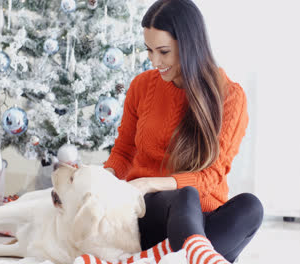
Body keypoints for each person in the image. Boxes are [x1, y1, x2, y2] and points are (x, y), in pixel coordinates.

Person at [76, 0, 263, 264]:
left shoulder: (230, 97)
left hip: (202, 215)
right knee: (185, 195)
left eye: (163, 51)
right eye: (149, 51)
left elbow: (211, 174)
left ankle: (161, 258)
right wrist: (101, 180)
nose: (155, 61)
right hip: (149, 211)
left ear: (189, 45)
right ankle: (194, 255)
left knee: (251, 207)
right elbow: (124, 151)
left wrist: (150, 181)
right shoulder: (142, 86)